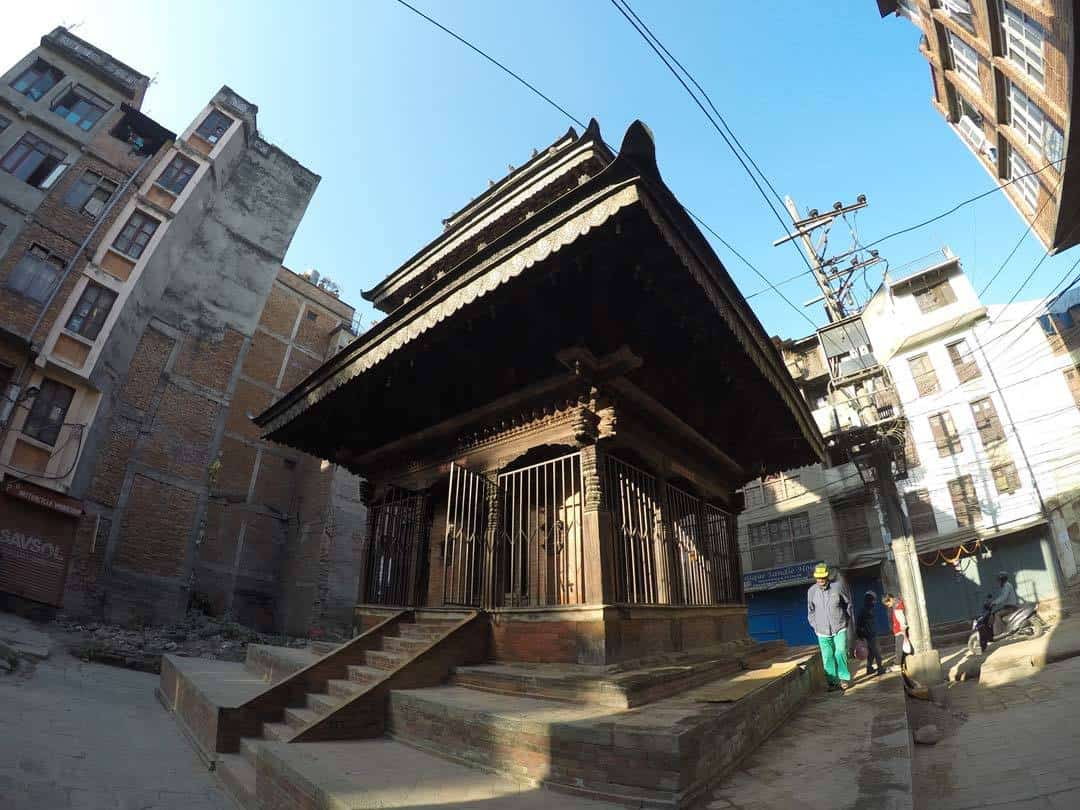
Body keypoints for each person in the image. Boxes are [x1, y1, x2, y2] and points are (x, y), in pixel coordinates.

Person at [807, 563, 853, 692]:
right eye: (818, 578)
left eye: (822, 577)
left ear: (827, 576)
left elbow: (847, 604)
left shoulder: (837, 588)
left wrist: (845, 620)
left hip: (839, 627)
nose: (820, 580)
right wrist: (815, 626)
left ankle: (843, 678)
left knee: (840, 652)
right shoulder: (812, 591)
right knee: (827, 657)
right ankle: (832, 682)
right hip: (822, 631)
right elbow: (811, 611)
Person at [856, 592, 884, 677]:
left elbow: (858, 624)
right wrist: (861, 635)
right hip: (870, 635)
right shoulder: (867, 610)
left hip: (867, 634)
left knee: (871, 653)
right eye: (873, 600)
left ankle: (869, 668)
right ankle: (880, 668)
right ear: (870, 600)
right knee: (876, 652)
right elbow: (860, 624)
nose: (875, 602)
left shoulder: (865, 609)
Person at [883, 593, 909, 670]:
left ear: (890, 599)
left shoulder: (897, 607)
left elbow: (902, 620)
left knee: (899, 649)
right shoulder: (897, 605)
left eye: (887, 604)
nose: (888, 606)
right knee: (900, 648)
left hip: (900, 631)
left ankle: (897, 665)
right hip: (899, 630)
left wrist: (902, 630)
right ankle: (900, 663)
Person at [989, 571, 1019, 637]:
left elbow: (1003, 597)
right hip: (1008, 606)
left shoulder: (1006, 586)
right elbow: (1002, 597)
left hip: (1010, 607)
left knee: (997, 614)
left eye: (999, 580)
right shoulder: (1006, 585)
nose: (998, 582)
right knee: (995, 612)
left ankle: (1002, 631)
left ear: (1002, 579)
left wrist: (994, 602)